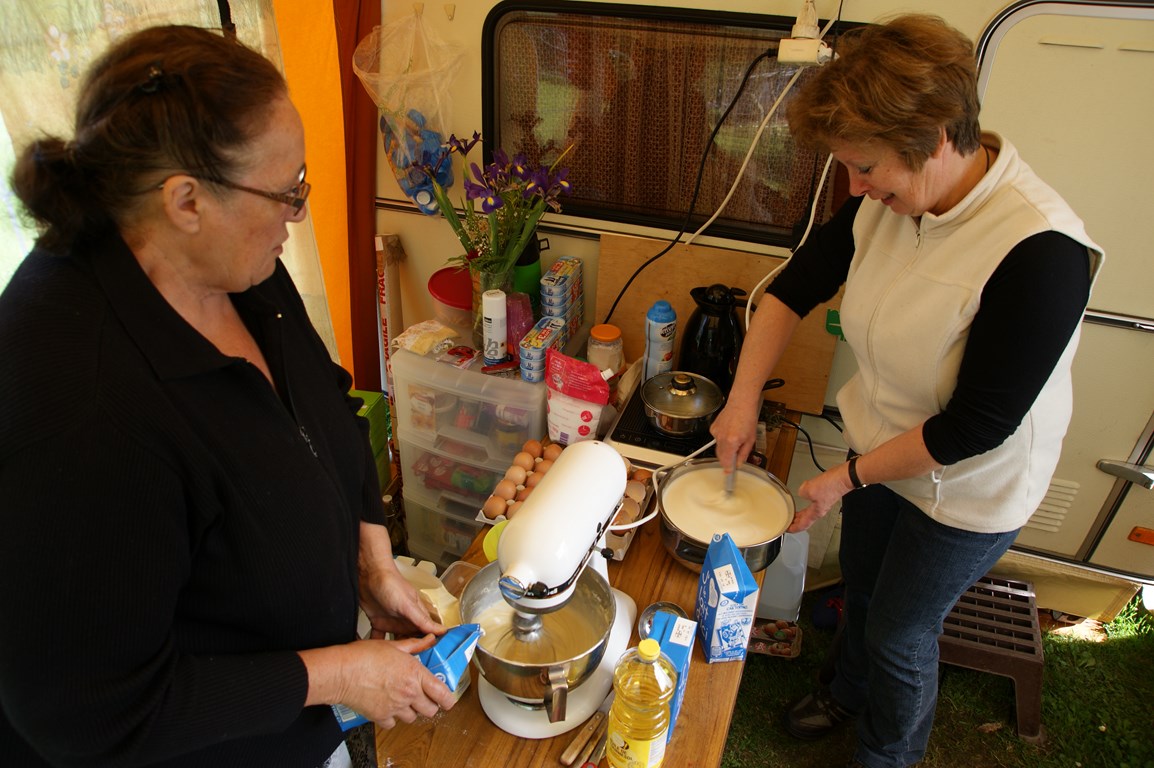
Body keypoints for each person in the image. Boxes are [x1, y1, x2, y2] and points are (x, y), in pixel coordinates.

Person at [0, 25, 456, 768]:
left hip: (297, 722)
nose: (297, 212)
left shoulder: (230, 264)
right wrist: (337, 674)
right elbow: (93, 713)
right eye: (286, 191)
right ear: (186, 200)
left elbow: (325, 404)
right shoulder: (84, 407)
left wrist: (370, 555)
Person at [710, 14, 1102, 768]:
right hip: (881, 448)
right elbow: (791, 290)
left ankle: (887, 755)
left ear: (936, 137)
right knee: (862, 583)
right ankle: (845, 691)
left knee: (900, 631)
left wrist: (842, 479)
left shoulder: (1041, 251)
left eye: (865, 168)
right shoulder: (884, 200)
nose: (855, 188)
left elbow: (972, 429)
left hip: (970, 483)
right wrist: (742, 399)